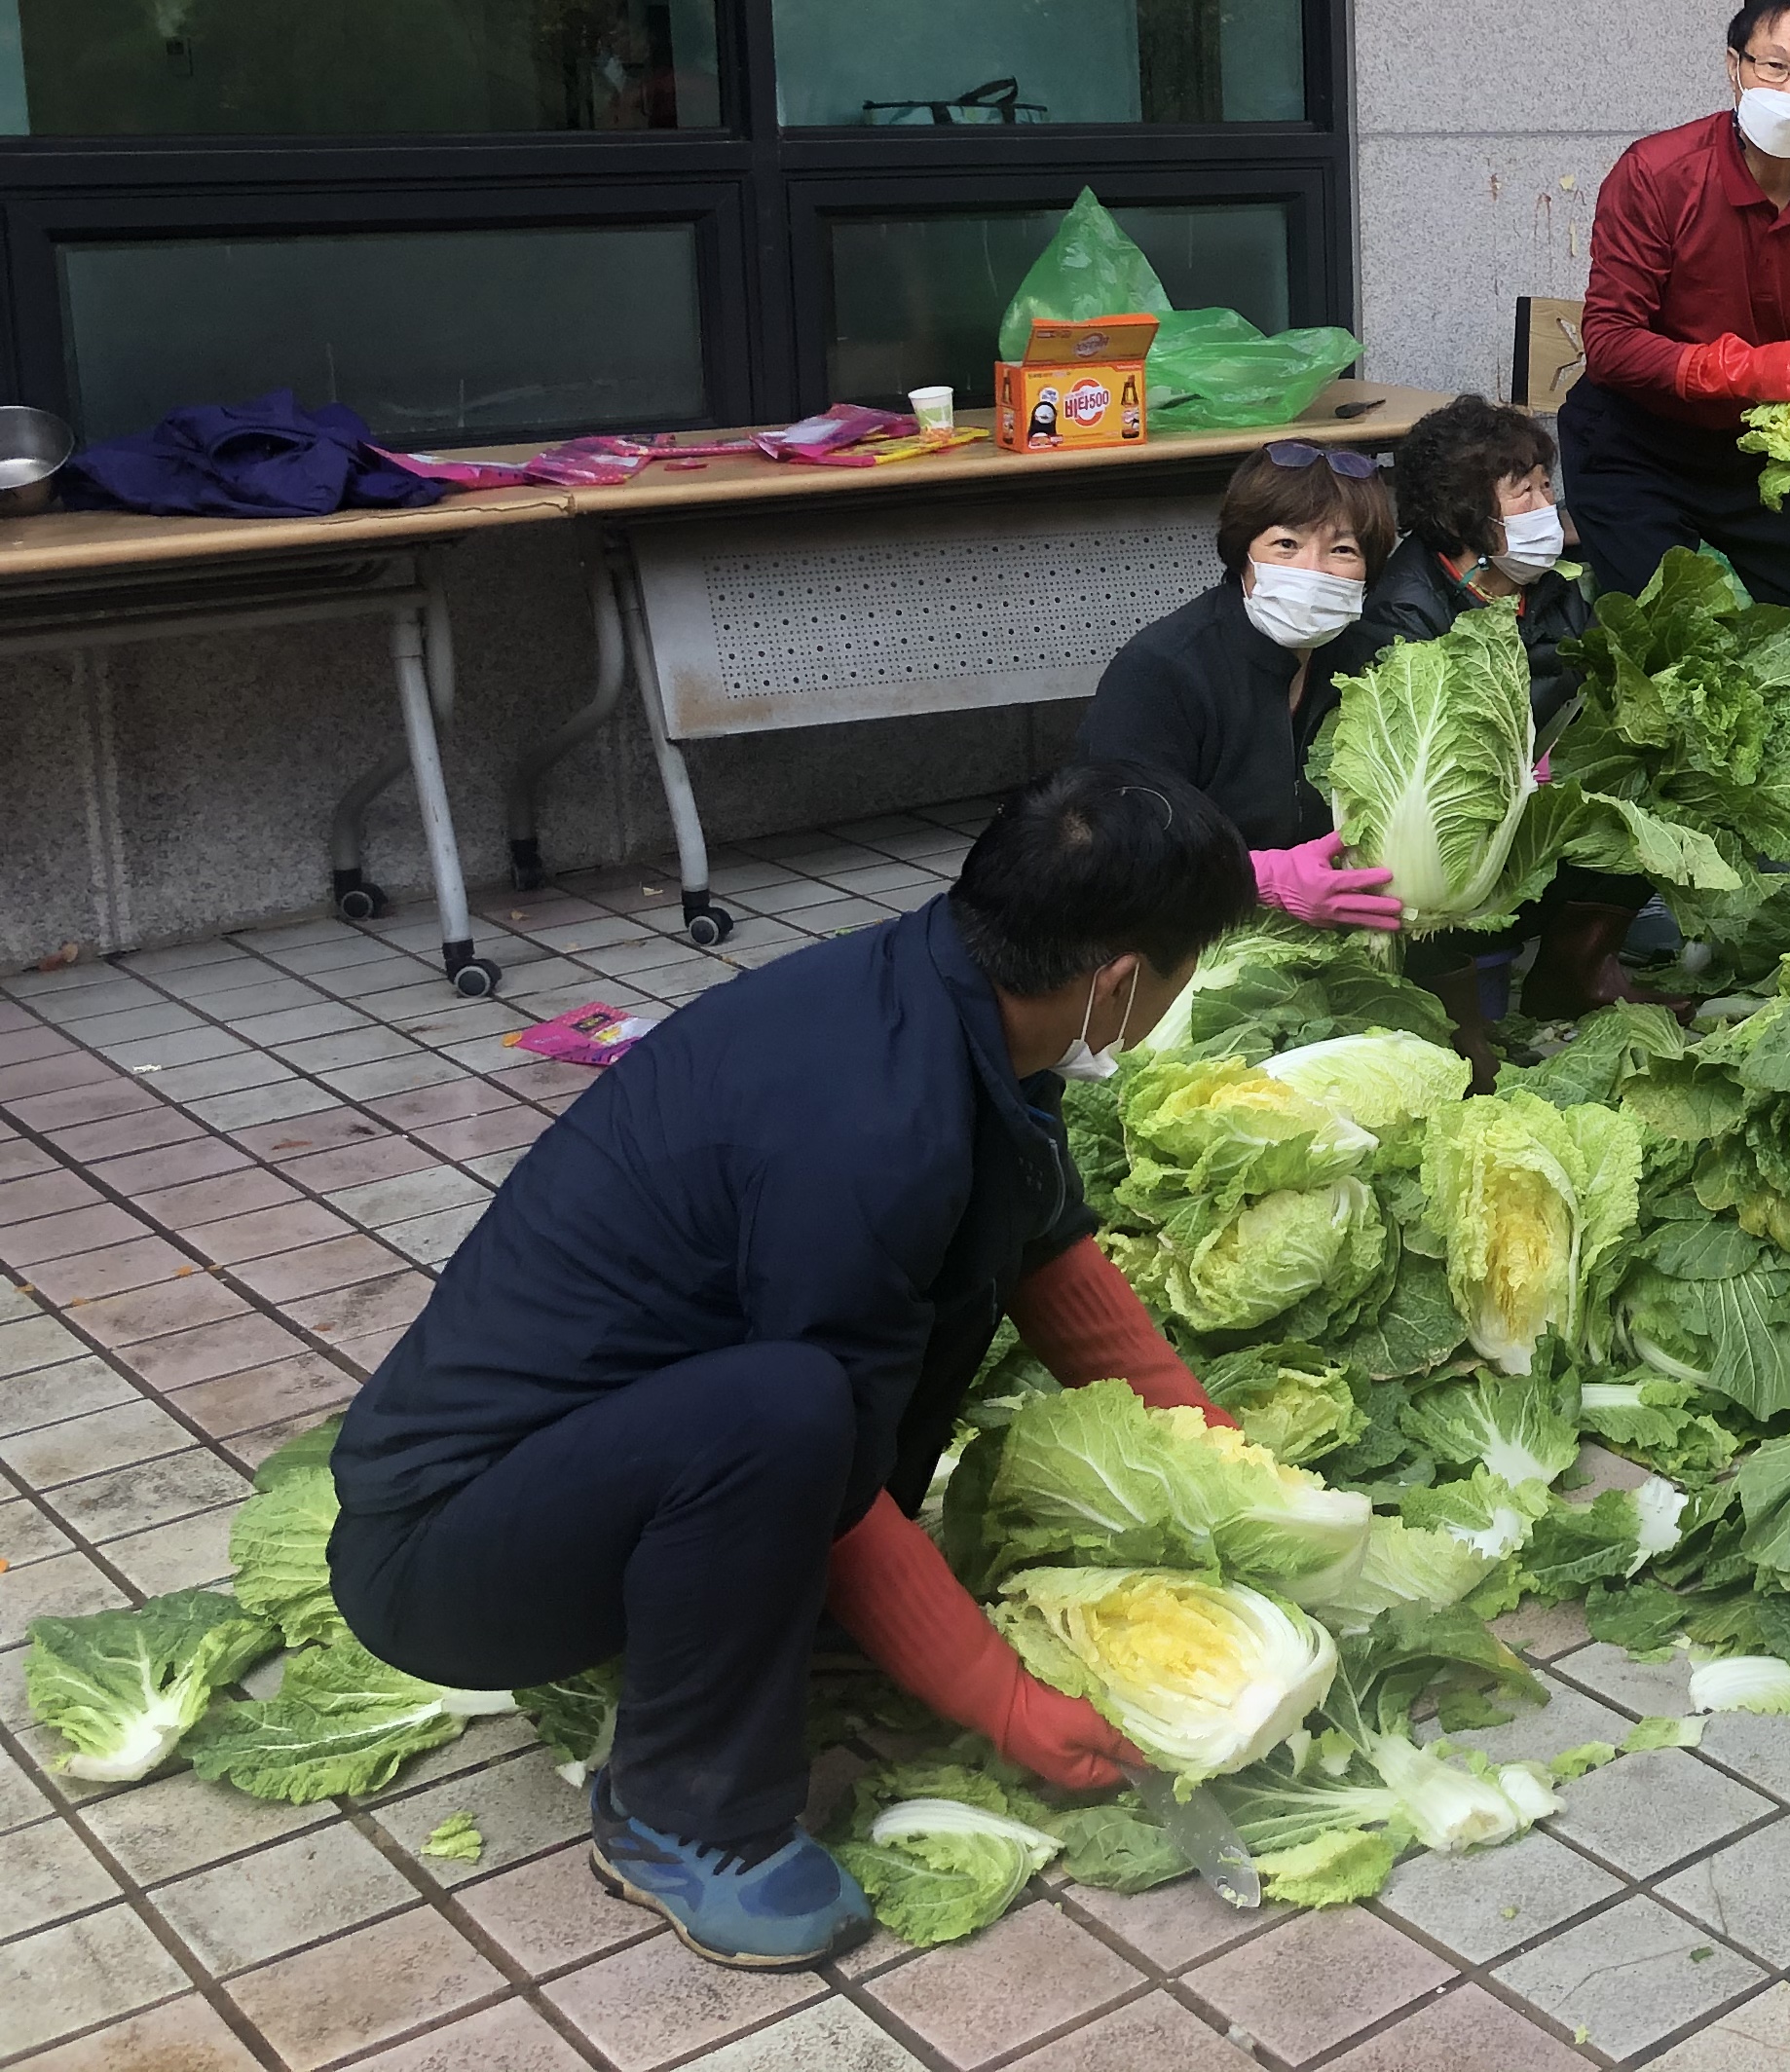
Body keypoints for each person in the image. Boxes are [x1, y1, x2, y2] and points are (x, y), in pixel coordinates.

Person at [325, 764, 1259, 1968]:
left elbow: (1041, 1242)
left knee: (828, 1374)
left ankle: (750, 1616)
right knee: (787, 1406)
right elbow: (812, 1457)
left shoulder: (951, 996)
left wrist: (1221, 1455)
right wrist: (1005, 1701)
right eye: (1184, 972)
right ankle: (676, 1818)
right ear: (1120, 977)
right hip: (446, 1560)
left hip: (598, 1467)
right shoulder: (871, 1125)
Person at [1560, 0, 1790, 689]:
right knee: (1663, 668)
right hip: (1632, 443)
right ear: (1735, 69)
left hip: (1757, 453)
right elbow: (1609, 343)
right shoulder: (1656, 174)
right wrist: (1747, 369)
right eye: (1775, 66)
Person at [1354, 393, 1642, 1022]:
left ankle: (1577, 973)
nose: (1548, 510)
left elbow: (1607, 700)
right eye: (1525, 493)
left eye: (1548, 487)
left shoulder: (1552, 592)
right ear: (1465, 512)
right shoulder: (1406, 612)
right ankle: (1454, 1007)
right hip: (1454, 848)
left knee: (1652, 770)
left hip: (1532, 825)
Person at [1080, 440, 1404, 931]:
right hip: (1176, 933)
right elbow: (1113, 849)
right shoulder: (1163, 670)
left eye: (1342, 550)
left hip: (1328, 925)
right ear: (1242, 553)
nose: (1312, 572)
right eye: (1286, 545)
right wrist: (1260, 878)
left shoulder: (1376, 659)